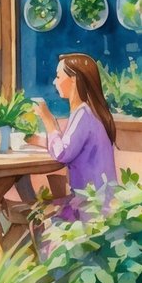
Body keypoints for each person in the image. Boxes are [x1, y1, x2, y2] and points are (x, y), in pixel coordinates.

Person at [30, 53, 118, 218]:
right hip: (93, 200)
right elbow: (70, 146)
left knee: (37, 215)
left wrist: (48, 120)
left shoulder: (84, 114)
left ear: (74, 79)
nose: (54, 82)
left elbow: (62, 153)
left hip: (93, 207)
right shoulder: (84, 112)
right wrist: (35, 140)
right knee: (39, 211)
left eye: (58, 76)